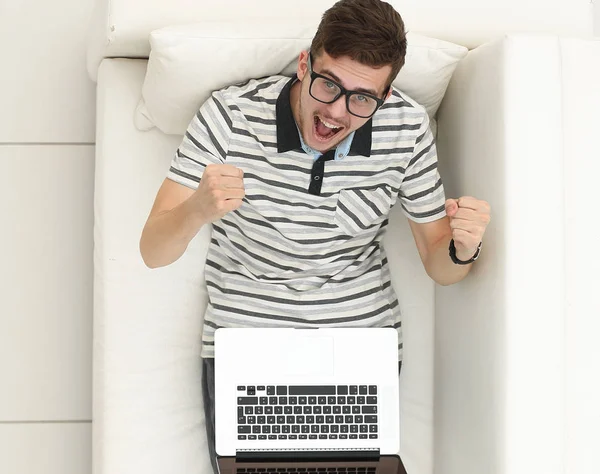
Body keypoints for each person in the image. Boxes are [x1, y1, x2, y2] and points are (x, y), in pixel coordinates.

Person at [139, 0, 491, 470]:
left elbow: (438, 262)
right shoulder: (229, 115)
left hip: (357, 344)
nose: (336, 113)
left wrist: (463, 250)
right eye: (327, 85)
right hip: (250, 343)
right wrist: (198, 208)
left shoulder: (407, 129)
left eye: (362, 98)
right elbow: (153, 250)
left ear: (384, 97)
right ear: (305, 64)